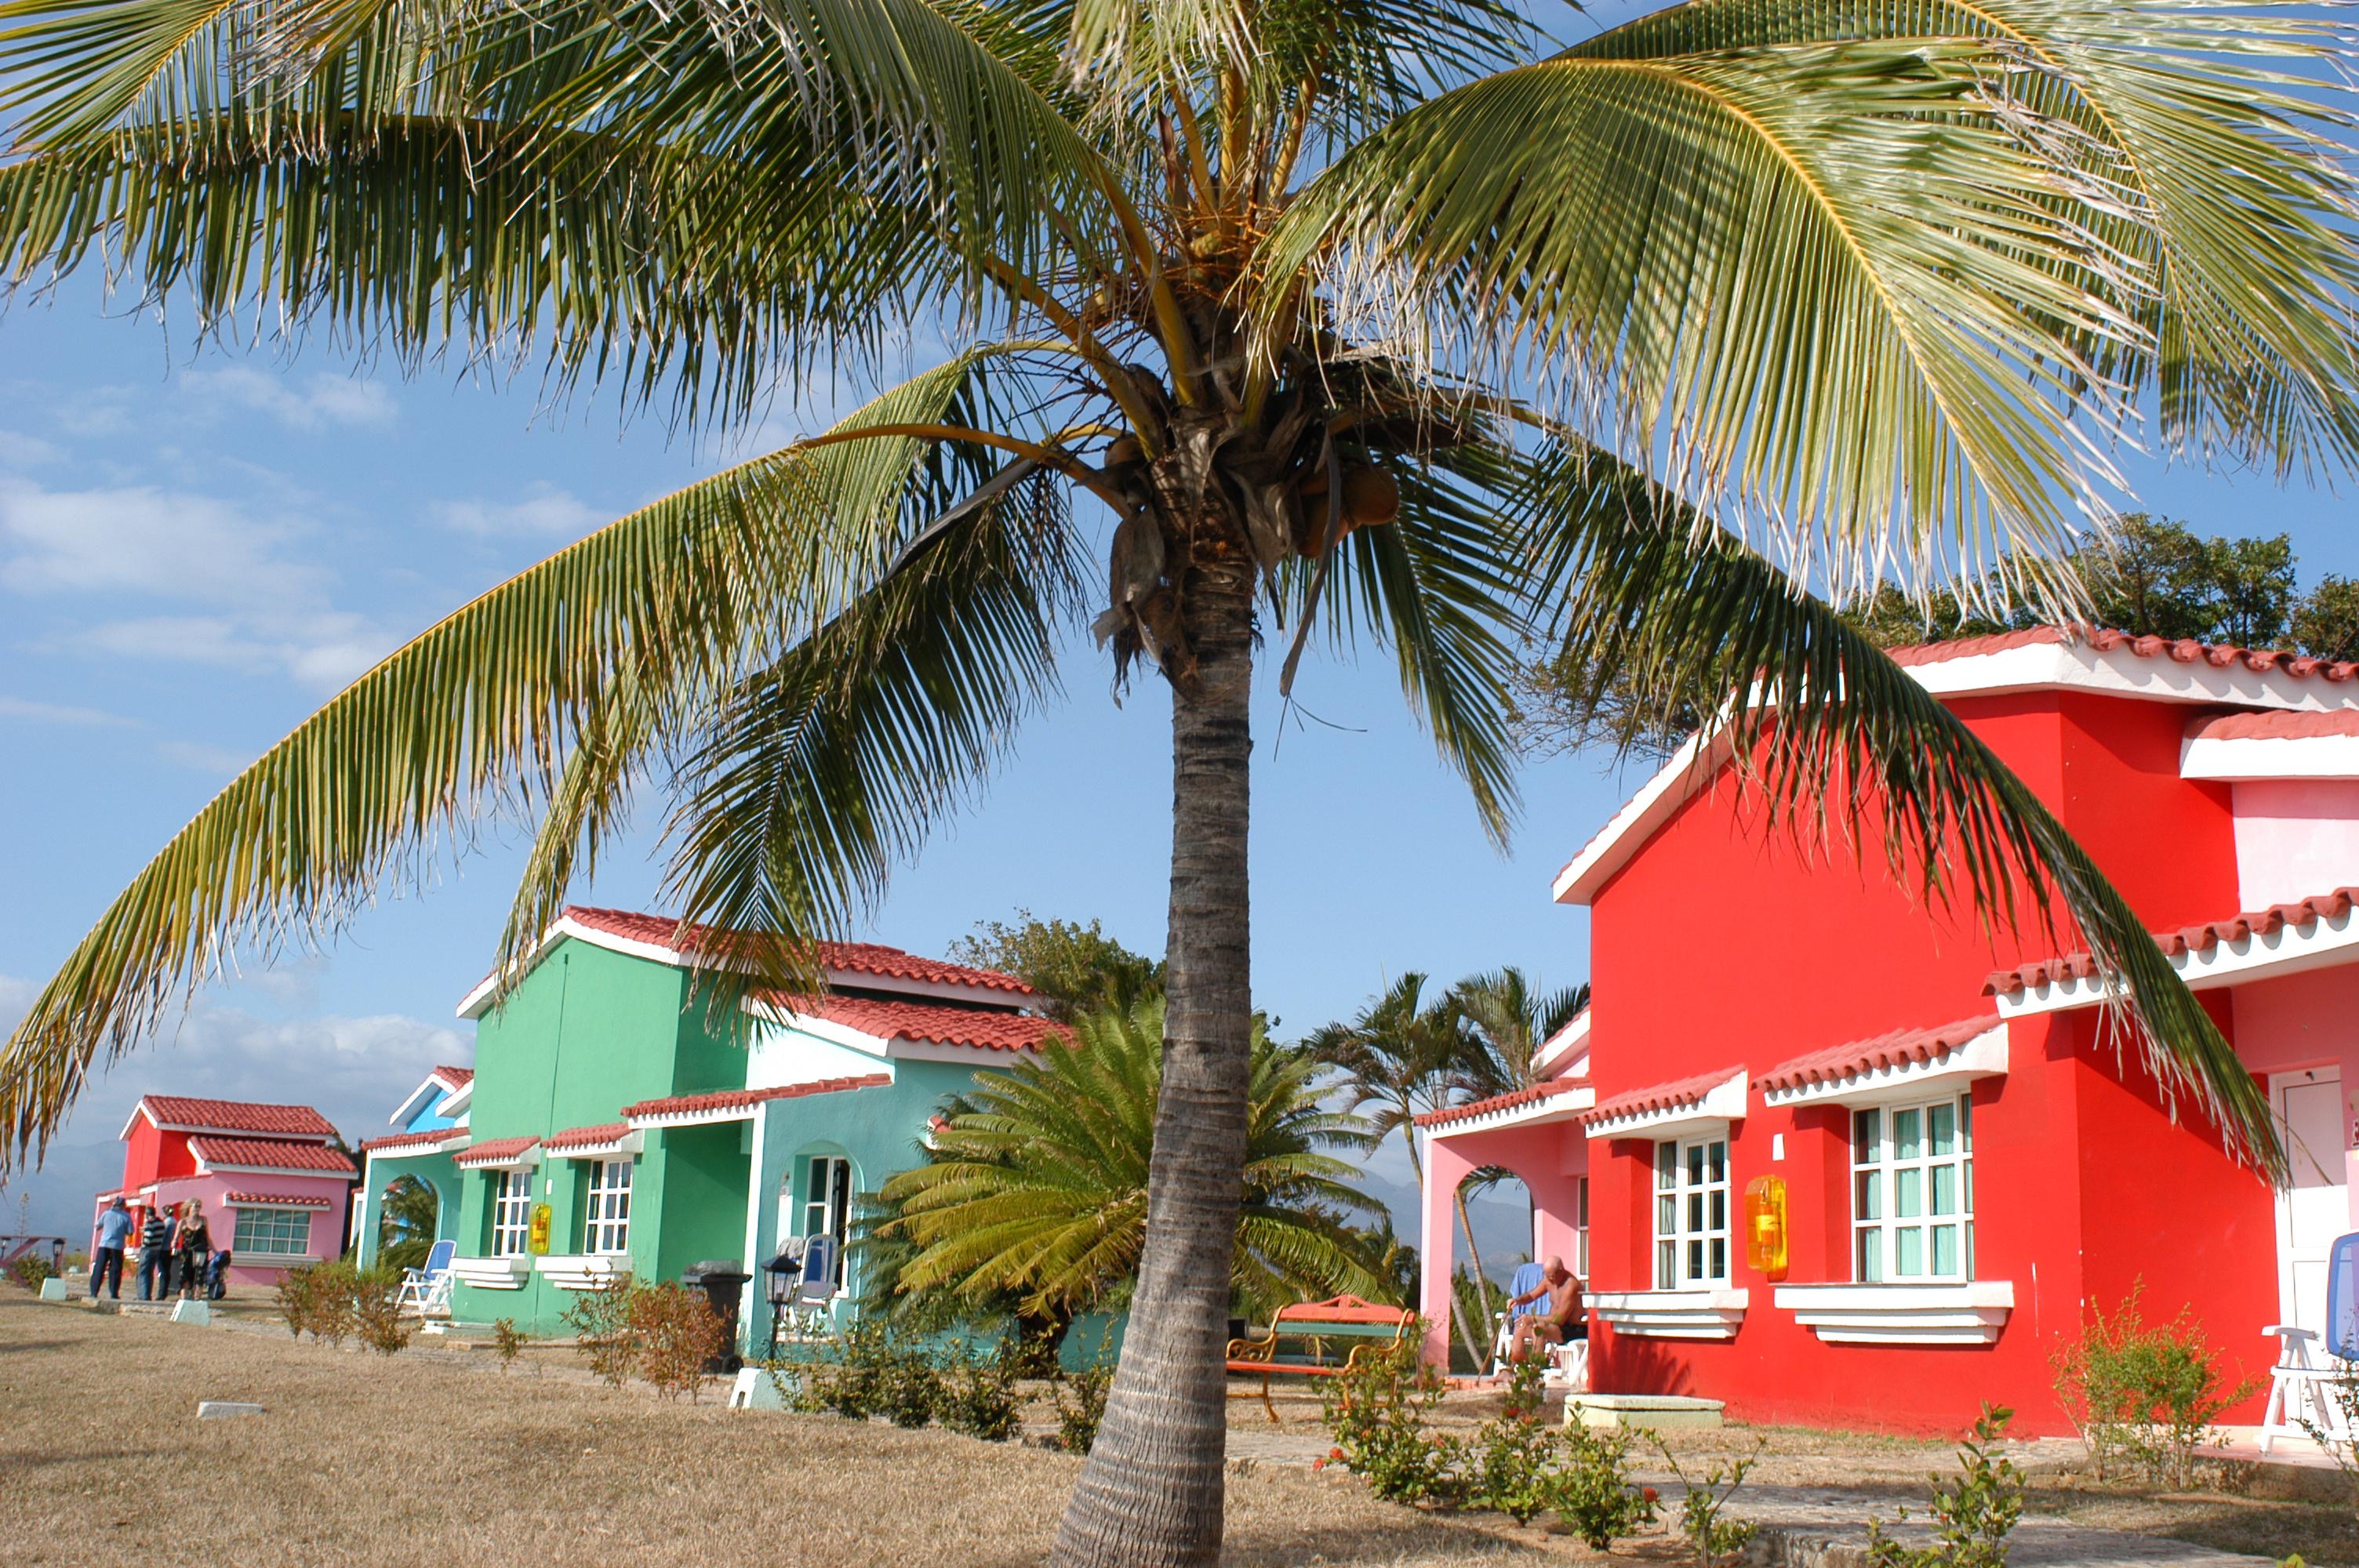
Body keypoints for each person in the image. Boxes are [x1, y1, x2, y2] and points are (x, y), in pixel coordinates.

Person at [1505, 1254, 1584, 1365]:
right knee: (1520, 1327)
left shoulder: (1570, 1286)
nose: (1547, 1279)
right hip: (1555, 1326)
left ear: (1560, 1271)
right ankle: (1513, 1367)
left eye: (1550, 1276)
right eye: (1545, 1275)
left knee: (1539, 1329)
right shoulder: (1549, 1280)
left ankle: (1536, 1369)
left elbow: (1560, 1319)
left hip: (1571, 1329)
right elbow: (1532, 1295)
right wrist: (1517, 1300)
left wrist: (1532, 1318)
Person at [89, 1196, 131, 1300]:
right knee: (115, 1270)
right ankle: (113, 1293)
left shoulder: (106, 1214)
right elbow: (130, 1232)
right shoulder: (126, 1217)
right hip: (117, 1246)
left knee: (99, 1268)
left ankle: (94, 1291)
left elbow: (97, 1226)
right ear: (123, 1206)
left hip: (104, 1244)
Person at [174, 1200, 212, 1301]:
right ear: (189, 1207)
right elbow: (176, 1237)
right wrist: (174, 1244)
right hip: (187, 1252)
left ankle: (197, 1298)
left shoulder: (204, 1220)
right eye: (195, 1206)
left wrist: (215, 1251)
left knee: (199, 1276)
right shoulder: (183, 1222)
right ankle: (184, 1300)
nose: (197, 1209)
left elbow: (207, 1237)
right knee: (185, 1276)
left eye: (199, 1206)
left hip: (201, 1251)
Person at [135, 1205, 171, 1300]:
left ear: (147, 1214)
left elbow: (149, 1238)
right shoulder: (161, 1223)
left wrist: (144, 1234)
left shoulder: (150, 1223)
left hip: (148, 1250)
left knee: (142, 1272)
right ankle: (147, 1294)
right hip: (157, 1249)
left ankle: (143, 1295)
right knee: (150, 1272)